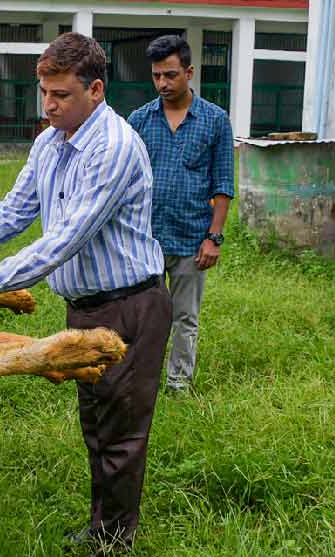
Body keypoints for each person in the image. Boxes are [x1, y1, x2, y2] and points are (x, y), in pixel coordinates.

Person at [0, 32, 172, 557]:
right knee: (96, 422)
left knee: (121, 431)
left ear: (95, 90)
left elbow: (65, 238)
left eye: (61, 94)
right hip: (87, 306)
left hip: (130, 304)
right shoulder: (50, 142)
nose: (48, 105)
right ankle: (102, 527)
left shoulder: (113, 147)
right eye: (43, 92)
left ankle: (114, 543)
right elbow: (13, 212)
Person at [128, 35, 234, 395]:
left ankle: (178, 384)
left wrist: (213, 237)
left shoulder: (215, 121)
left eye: (170, 75)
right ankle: (144, 381)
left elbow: (222, 183)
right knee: (145, 317)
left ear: (189, 72)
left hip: (192, 239)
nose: (162, 83)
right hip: (146, 240)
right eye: (157, 76)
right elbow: (125, 182)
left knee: (185, 317)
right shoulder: (139, 121)